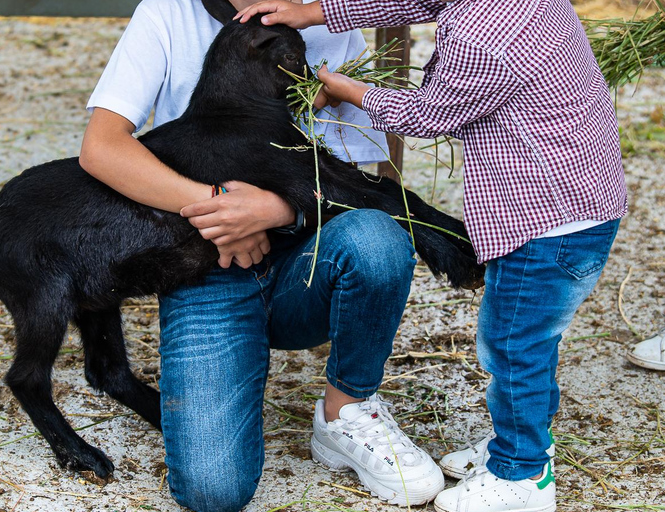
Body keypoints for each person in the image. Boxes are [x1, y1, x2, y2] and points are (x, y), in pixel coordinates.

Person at [235, 1, 628, 511]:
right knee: (532, 342)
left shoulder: (480, 36)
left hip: (546, 225)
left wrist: (350, 91)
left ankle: (522, 475)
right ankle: (521, 444)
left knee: (513, 349)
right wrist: (313, 13)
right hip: (585, 206)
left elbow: (427, 113)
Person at [79, 0, 446, 510]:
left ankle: (346, 413)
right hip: (204, 264)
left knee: (376, 237)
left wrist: (276, 210)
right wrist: (220, 209)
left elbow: (368, 174)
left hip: (306, 260)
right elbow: (102, 148)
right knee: (214, 491)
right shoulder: (167, 13)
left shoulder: (326, 22)